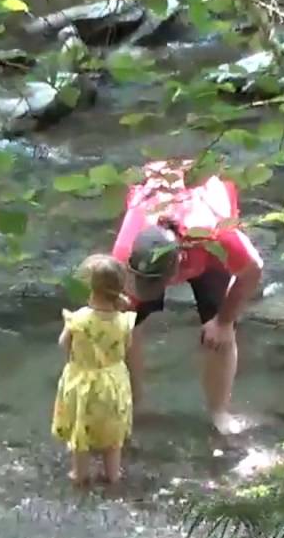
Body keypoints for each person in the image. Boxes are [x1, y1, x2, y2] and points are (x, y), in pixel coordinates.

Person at [111, 161, 263, 435]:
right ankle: (133, 405)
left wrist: (224, 321)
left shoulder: (216, 236)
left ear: (180, 262)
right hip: (159, 191)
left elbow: (253, 269)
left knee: (221, 333)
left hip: (204, 239)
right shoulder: (125, 249)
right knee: (125, 325)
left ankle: (219, 413)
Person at [52, 254, 136, 485]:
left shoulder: (78, 319)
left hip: (84, 383)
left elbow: (63, 344)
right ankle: (113, 475)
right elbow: (127, 347)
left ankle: (80, 475)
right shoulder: (125, 321)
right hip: (114, 383)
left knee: (82, 430)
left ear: (90, 287)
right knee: (113, 433)